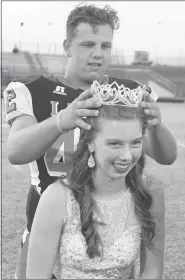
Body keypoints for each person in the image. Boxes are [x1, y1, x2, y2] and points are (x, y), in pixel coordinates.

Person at [3, 3, 176, 279]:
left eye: (105, 46)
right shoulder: (30, 88)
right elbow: (15, 151)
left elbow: (167, 156)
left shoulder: (127, 92)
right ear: (67, 46)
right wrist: (63, 119)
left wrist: (157, 126)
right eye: (87, 44)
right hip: (46, 224)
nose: (98, 54)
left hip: (111, 227)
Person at [26, 83, 165, 279]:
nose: (127, 156)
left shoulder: (150, 192)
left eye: (135, 142)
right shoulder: (56, 198)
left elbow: (152, 271)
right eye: (115, 143)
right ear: (90, 142)